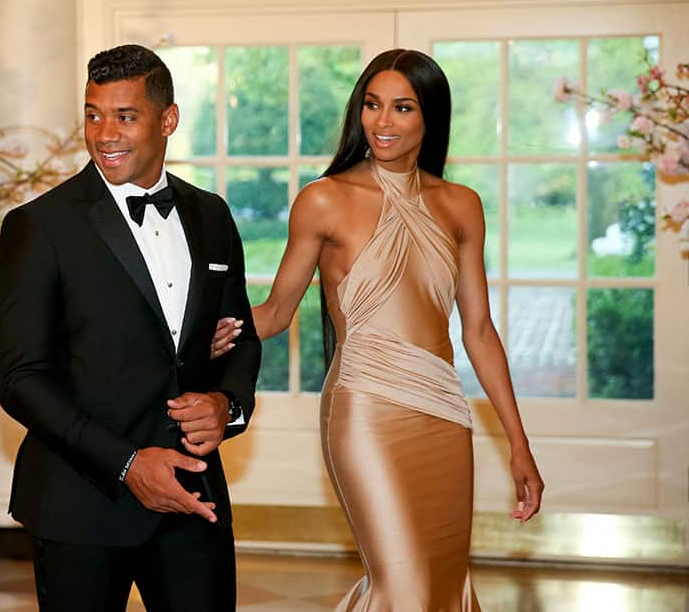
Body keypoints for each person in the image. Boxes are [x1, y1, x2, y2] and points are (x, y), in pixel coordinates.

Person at [211, 48, 544, 611]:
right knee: (404, 589)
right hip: (365, 406)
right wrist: (215, 327)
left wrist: (519, 443)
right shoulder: (324, 199)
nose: (382, 121)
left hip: (442, 411)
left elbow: (480, 331)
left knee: (442, 587)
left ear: (429, 117)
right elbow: (276, 313)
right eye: (371, 105)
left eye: (402, 107)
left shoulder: (462, 205)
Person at [0, 44, 261, 612]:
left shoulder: (212, 215)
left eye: (124, 116)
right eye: (93, 114)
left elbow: (239, 335)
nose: (104, 133)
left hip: (194, 495)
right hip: (80, 501)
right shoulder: (38, 226)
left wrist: (226, 402)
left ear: (168, 119)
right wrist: (127, 462)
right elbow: (21, 377)